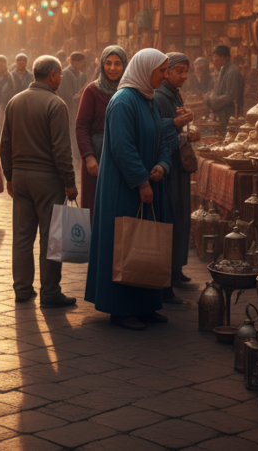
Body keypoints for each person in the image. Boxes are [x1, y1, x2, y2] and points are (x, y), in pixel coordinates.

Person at [86, 48, 177, 331]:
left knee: (146, 244)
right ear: (145, 69)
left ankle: (145, 305)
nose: (165, 75)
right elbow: (122, 148)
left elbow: (162, 136)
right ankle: (122, 308)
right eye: (161, 70)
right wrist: (141, 181)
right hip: (124, 188)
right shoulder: (123, 101)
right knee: (125, 242)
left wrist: (163, 164)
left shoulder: (149, 99)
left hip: (148, 183)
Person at [1, 56, 78, 308]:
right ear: (53, 74)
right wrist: (69, 181)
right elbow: (61, 149)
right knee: (51, 236)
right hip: (47, 179)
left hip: (21, 177)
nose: (61, 79)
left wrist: (9, 176)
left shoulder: (15, 101)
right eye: (60, 76)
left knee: (22, 236)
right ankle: (50, 292)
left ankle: (22, 289)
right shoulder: (56, 104)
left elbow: (6, 145)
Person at [154, 52, 200, 292]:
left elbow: (178, 128)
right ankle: (168, 273)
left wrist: (189, 132)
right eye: (179, 70)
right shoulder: (160, 96)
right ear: (167, 71)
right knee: (172, 214)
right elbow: (158, 130)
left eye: (186, 70)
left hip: (178, 163)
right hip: (168, 165)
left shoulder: (174, 95)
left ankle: (176, 268)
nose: (184, 75)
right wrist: (179, 126)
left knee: (182, 214)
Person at [75, 46, 127, 213]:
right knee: (95, 205)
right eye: (108, 63)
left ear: (125, 66)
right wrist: (89, 157)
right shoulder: (92, 90)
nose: (112, 68)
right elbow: (81, 126)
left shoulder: (129, 91)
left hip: (122, 156)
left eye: (118, 64)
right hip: (96, 157)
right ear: (102, 66)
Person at [205, 45, 244, 132]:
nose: (213, 60)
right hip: (223, 115)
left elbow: (230, 95)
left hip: (230, 116)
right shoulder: (223, 70)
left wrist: (213, 100)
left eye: (215, 56)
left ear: (224, 57)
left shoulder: (232, 72)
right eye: (213, 56)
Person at [57, 52, 89, 150]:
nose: (84, 64)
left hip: (79, 107)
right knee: (70, 131)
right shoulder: (64, 74)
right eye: (82, 62)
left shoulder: (82, 75)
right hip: (68, 107)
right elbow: (62, 92)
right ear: (75, 62)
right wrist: (74, 97)